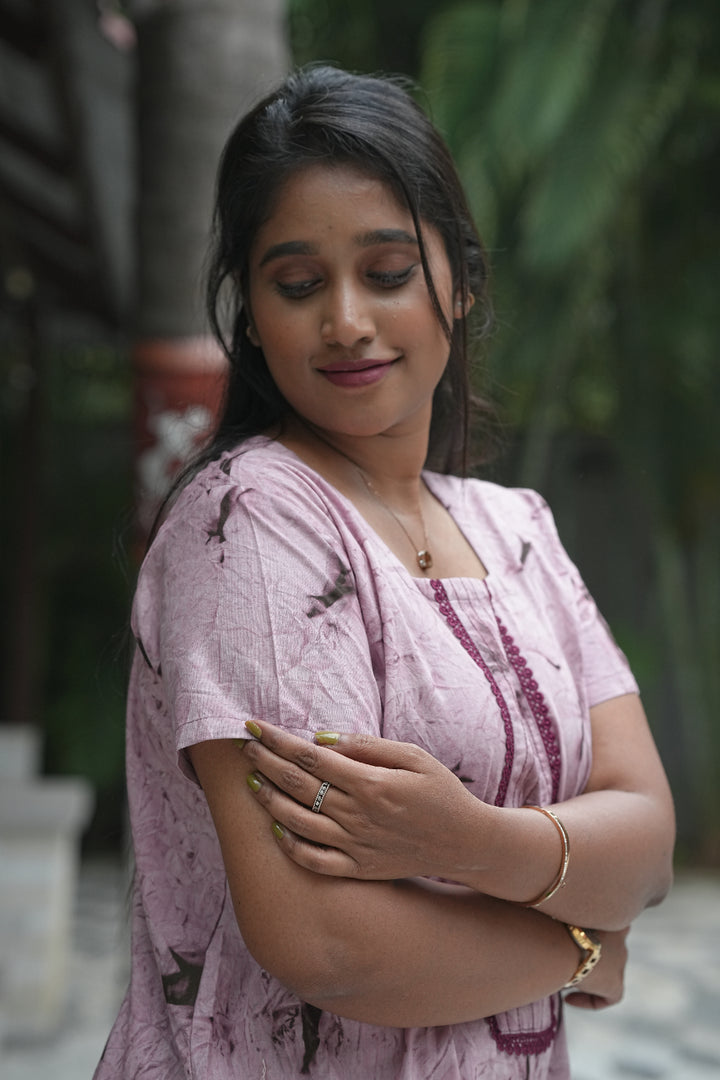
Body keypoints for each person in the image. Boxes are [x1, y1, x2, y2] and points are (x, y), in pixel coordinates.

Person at [95, 65, 675, 1079]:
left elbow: (649, 841)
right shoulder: (253, 522)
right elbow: (328, 943)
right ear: (252, 315)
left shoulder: (518, 530)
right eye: (298, 284)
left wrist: (470, 841)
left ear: (461, 281)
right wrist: (580, 947)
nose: (347, 321)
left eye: (390, 270)